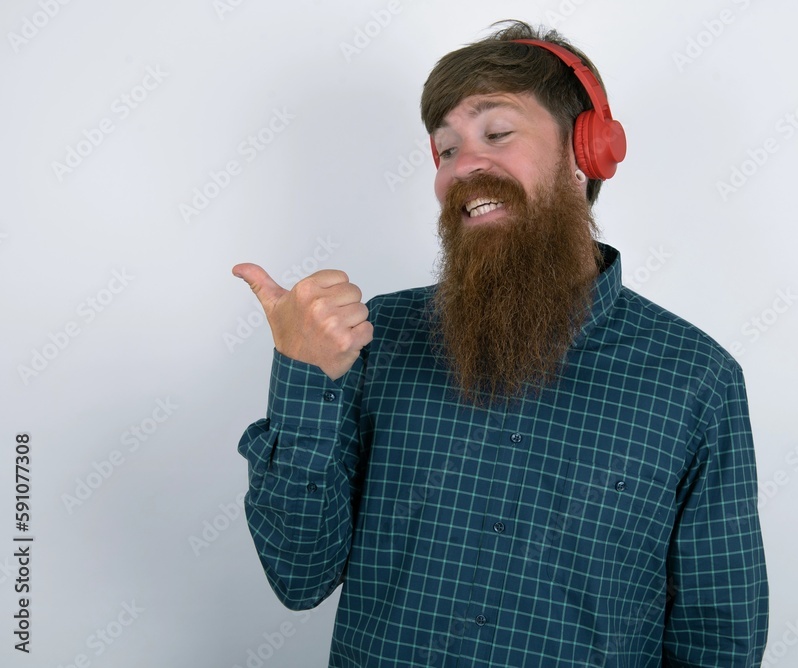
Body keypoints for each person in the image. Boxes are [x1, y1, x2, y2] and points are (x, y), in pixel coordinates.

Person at [233, 20, 768, 667]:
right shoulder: (379, 337)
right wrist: (304, 378)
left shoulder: (696, 380)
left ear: (586, 151)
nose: (465, 168)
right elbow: (298, 576)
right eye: (446, 149)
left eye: (497, 133)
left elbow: (716, 643)